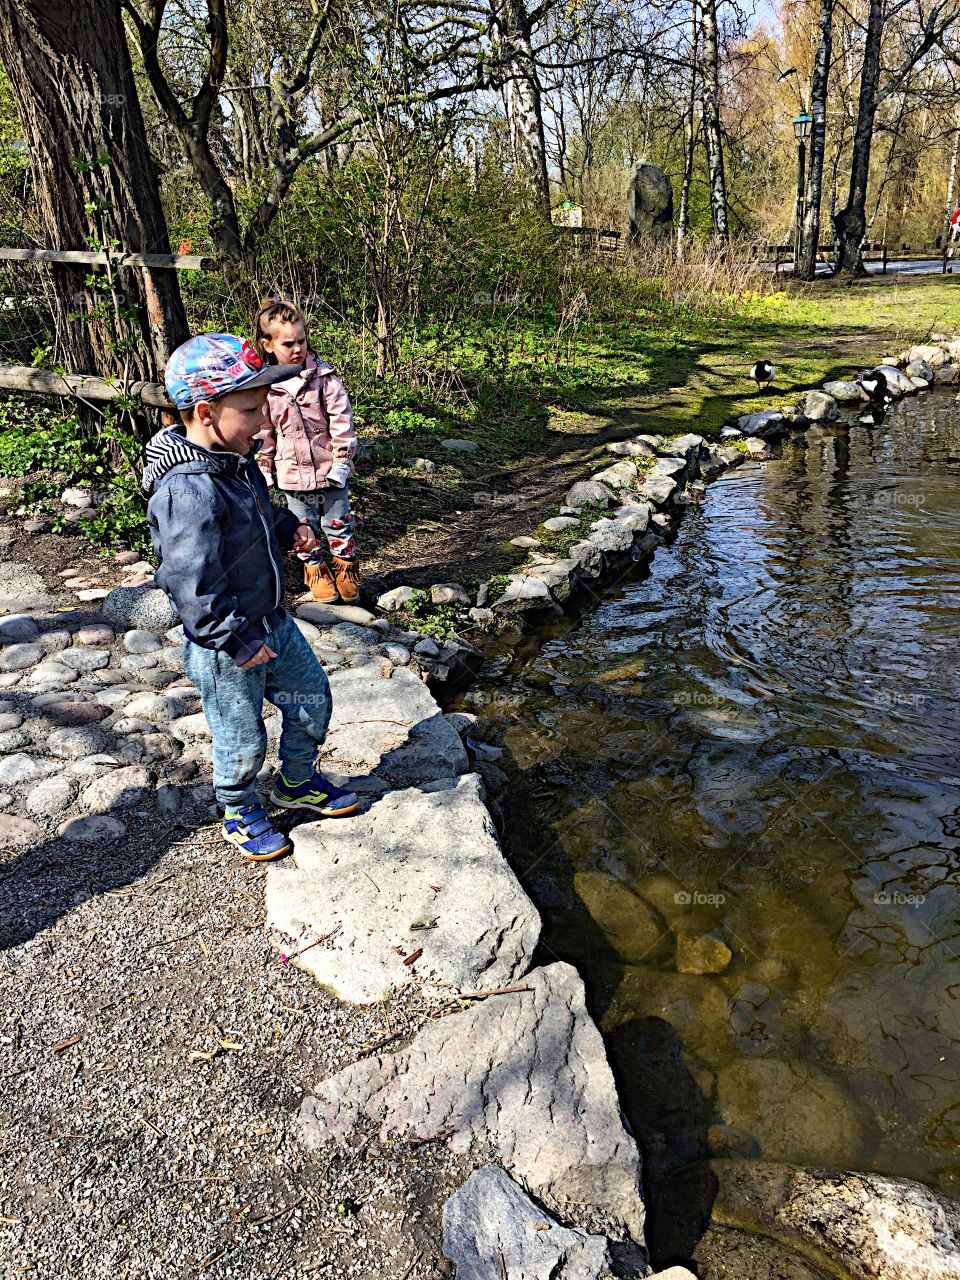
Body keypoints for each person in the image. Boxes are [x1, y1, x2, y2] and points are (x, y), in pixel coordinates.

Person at [144, 333, 360, 862]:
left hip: (271, 620)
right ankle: (239, 808)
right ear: (206, 412)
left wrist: (289, 527)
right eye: (251, 409)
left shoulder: (236, 461)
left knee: (310, 700)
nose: (265, 421)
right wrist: (232, 638)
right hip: (228, 643)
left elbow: (259, 513)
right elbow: (189, 579)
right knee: (240, 735)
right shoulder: (188, 488)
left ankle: (297, 781)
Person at [253, 297, 360, 604]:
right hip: (291, 474)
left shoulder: (323, 378)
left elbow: (342, 419)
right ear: (268, 344)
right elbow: (263, 429)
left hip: (329, 469)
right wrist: (264, 464)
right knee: (304, 530)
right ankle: (316, 571)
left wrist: (342, 458)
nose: (297, 348)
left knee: (339, 524)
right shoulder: (266, 387)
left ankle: (346, 568)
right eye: (288, 343)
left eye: (301, 340)